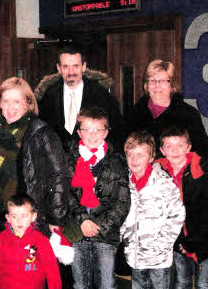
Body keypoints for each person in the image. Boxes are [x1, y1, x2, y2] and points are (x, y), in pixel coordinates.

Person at [0, 77, 70, 237]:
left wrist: (56, 218)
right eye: (6, 101)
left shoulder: (41, 132)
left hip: (32, 218)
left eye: (17, 101)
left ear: (28, 103)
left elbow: (60, 176)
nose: (11, 107)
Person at [64, 107, 131, 289]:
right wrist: (83, 221)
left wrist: (101, 226)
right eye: (87, 129)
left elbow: (122, 201)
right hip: (78, 231)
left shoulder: (117, 161)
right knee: (80, 283)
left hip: (105, 234)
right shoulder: (69, 159)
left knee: (107, 284)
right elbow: (66, 195)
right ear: (79, 132)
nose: (93, 135)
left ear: (106, 132)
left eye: (98, 129)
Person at [121, 131, 185, 289]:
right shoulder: (123, 183)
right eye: (130, 155)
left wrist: (162, 244)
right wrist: (124, 237)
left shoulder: (164, 183)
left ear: (151, 158)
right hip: (134, 255)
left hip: (158, 258)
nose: (134, 160)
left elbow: (177, 215)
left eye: (140, 155)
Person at [38, 44, 127, 152]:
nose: (71, 72)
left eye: (75, 66)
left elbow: (117, 131)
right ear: (59, 68)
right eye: (66, 67)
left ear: (84, 66)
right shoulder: (49, 96)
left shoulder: (101, 95)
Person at [155, 125, 208, 289]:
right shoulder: (158, 172)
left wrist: (195, 241)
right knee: (182, 281)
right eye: (169, 146)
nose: (174, 150)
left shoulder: (202, 169)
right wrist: (178, 241)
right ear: (162, 150)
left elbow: (207, 210)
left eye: (180, 145)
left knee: (204, 283)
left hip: (204, 239)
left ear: (189, 147)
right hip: (177, 241)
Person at [128, 59, 208, 158]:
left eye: (162, 81)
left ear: (171, 85)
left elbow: (202, 153)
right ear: (147, 85)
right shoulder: (135, 113)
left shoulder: (188, 114)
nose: (157, 85)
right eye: (152, 81)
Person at [0, 194, 62, 289]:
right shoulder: (0, 240)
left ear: (33, 216)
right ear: (8, 218)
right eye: (14, 216)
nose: (19, 221)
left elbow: (52, 270)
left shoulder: (41, 240)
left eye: (24, 216)